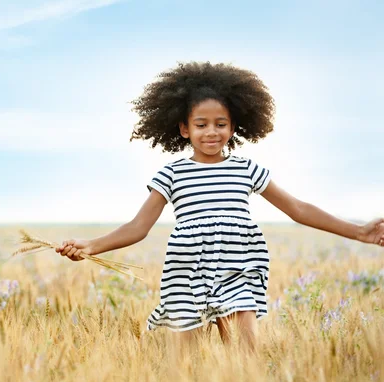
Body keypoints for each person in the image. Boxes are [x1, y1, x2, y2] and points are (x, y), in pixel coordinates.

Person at [55, 61, 384, 351]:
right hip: (187, 272)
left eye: (221, 123)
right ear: (184, 128)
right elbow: (138, 227)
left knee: (245, 354)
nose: (211, 132)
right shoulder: (171, 174)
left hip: (238, 267)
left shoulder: (246, 169)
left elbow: (298, 209)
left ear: (233, 126)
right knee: (185, 362)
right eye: (201, 124)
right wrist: (91, 246)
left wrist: (358, 232)